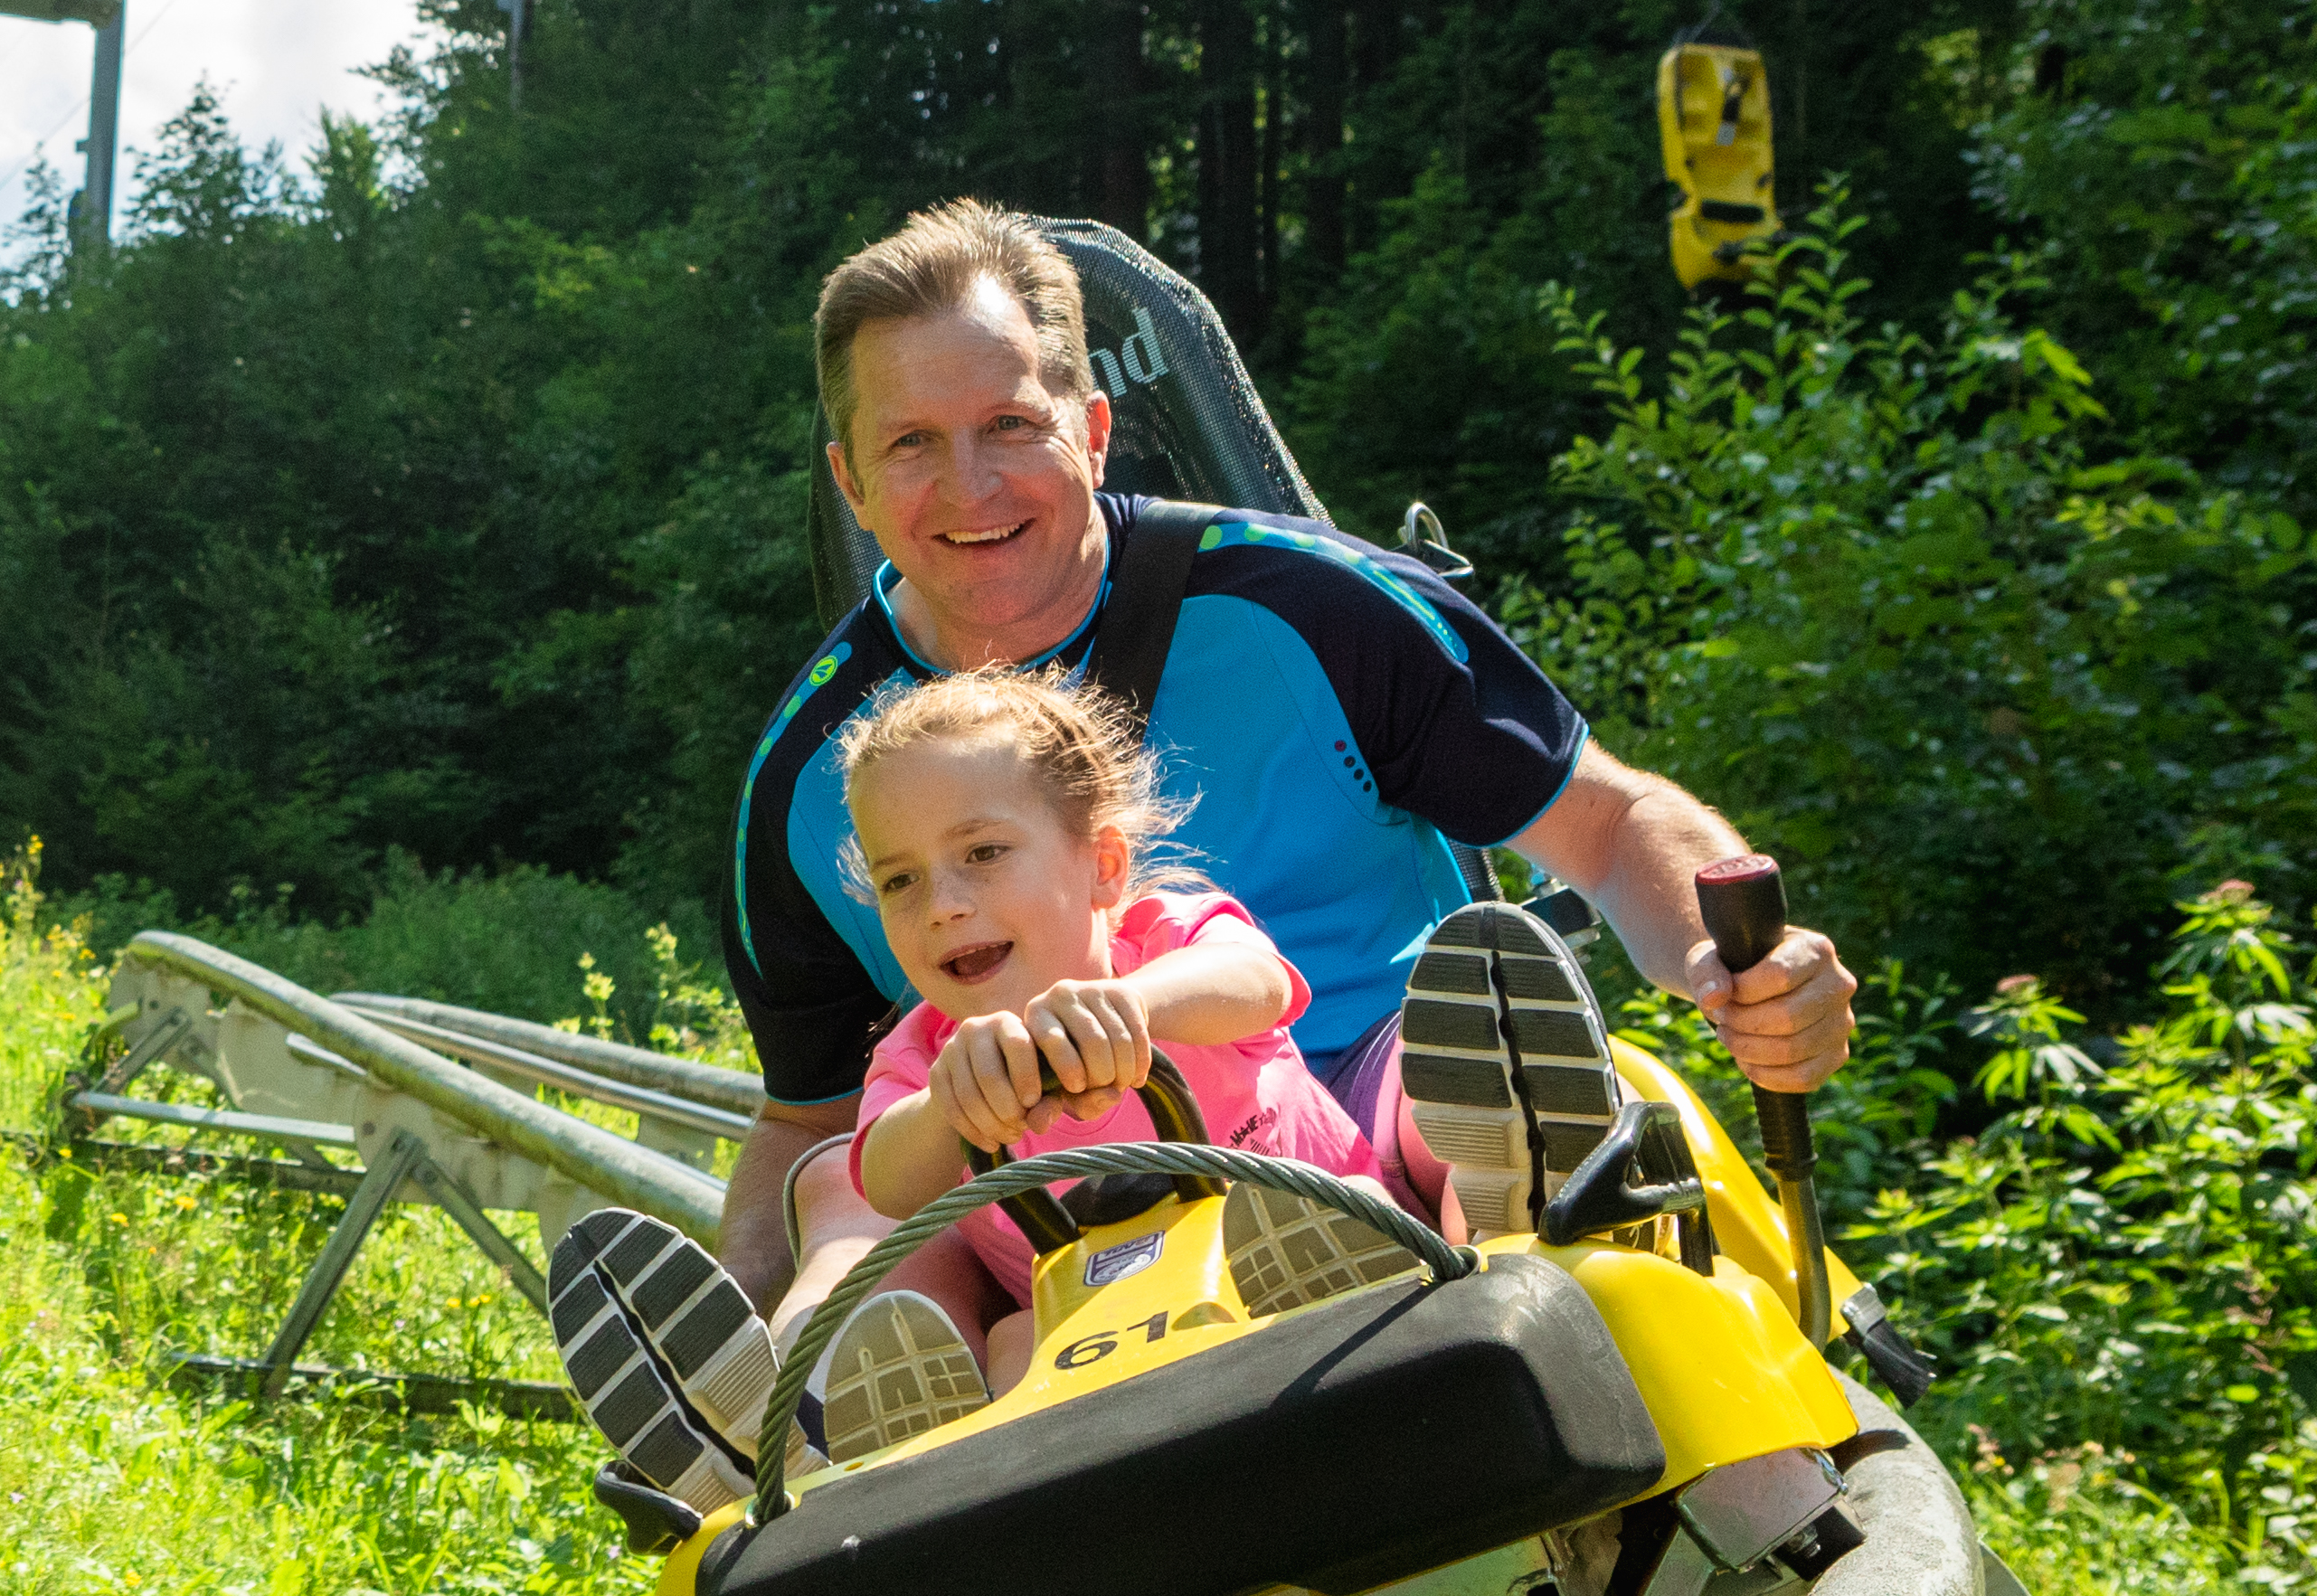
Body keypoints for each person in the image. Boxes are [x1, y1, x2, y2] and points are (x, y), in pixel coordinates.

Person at [715, 198, 1854, 1318]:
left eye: (1011, 424)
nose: (970, 486)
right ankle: (779, 1413)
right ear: (851, 481)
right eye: (913, 443)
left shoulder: (1316, 607)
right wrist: (756, 1276)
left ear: (1094, 428)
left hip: (1370, 1107)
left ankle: (1526, 1309)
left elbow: (1605, 823)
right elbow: (807, 1117)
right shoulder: (808, 779)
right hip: (1054, 1206)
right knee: (844, 1185)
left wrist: (1731, 964)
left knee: (1469, 1064)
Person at [781, 663, 1401, 1464]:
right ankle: (902, 1451)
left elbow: (1258, 983)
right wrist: (949, 1105)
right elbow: (890, 1181)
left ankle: (1498, 1197)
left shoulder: (1168, 944)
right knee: (1010, 1342)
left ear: (1104, 866)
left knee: (1345, 1193)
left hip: (1299, 1236)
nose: (942, 904)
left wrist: (1136, 1005)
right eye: (899, 880)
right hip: (1097, 1334)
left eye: (984, 852)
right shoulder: (930, 1053)